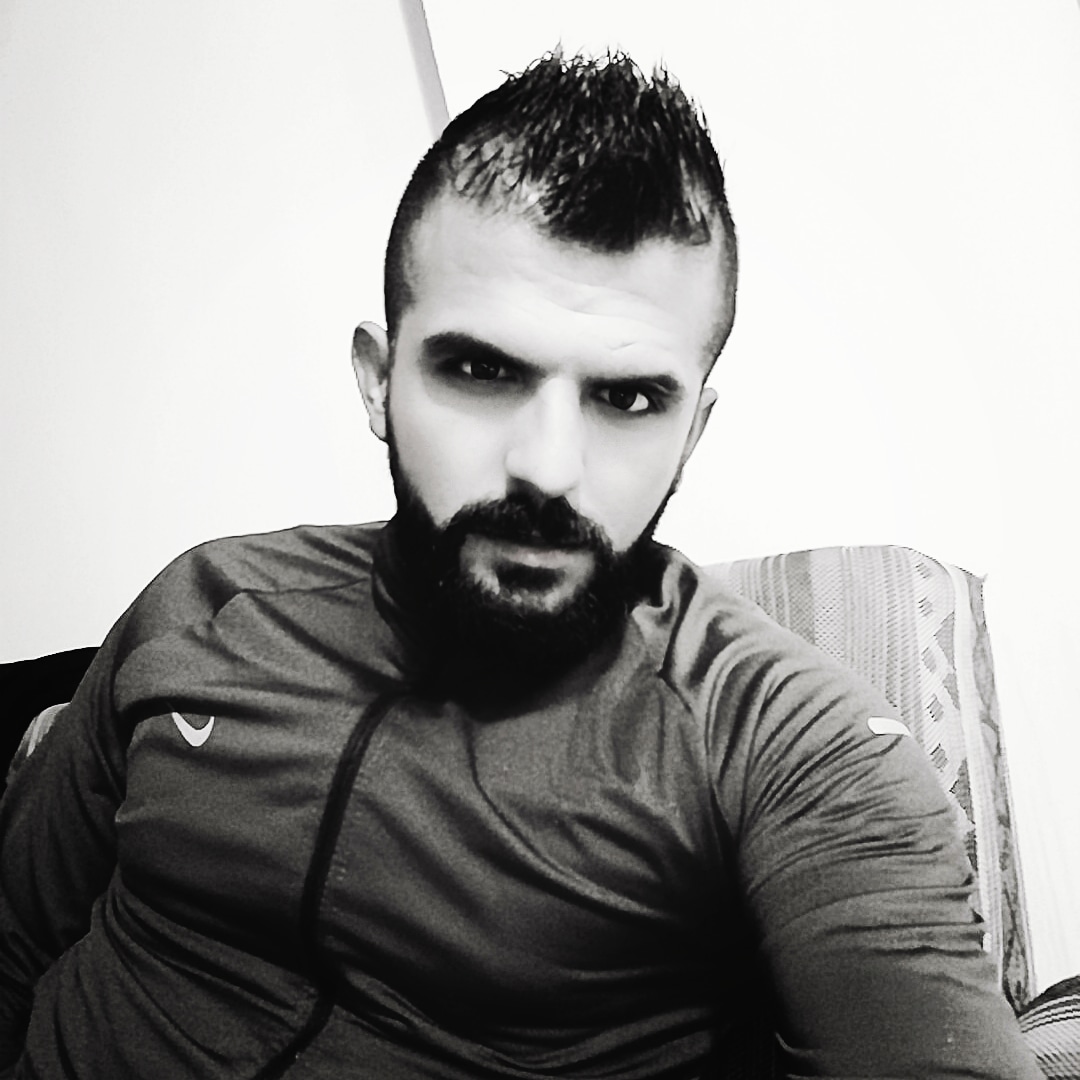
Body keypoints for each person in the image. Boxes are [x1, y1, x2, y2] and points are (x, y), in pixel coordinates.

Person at [0, 52, 1042, 1080]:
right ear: (378, 381)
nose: (547, 467)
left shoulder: (779, 742)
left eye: (628, 398)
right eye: (480, 369)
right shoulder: (202, 605)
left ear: (692, 431)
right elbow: (15, 947)